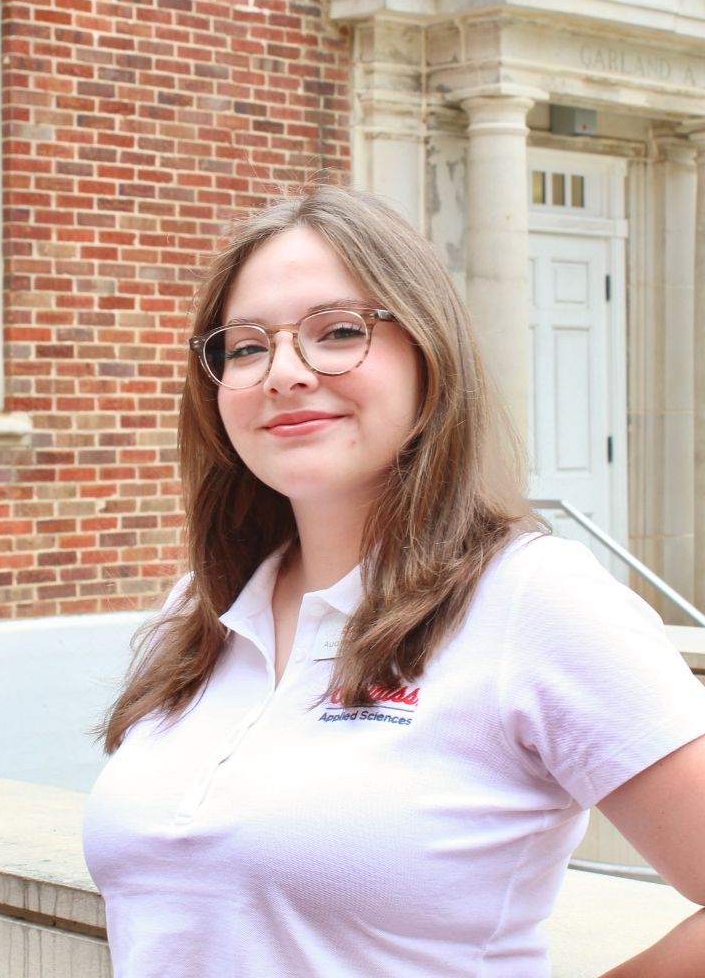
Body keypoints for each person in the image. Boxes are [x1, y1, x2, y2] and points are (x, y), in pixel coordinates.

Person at [83, 185, 705, 977]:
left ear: (428, 352)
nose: (284, 372)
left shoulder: (531, 600)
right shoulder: (200, 613)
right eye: (244, 347)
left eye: (337, 332)